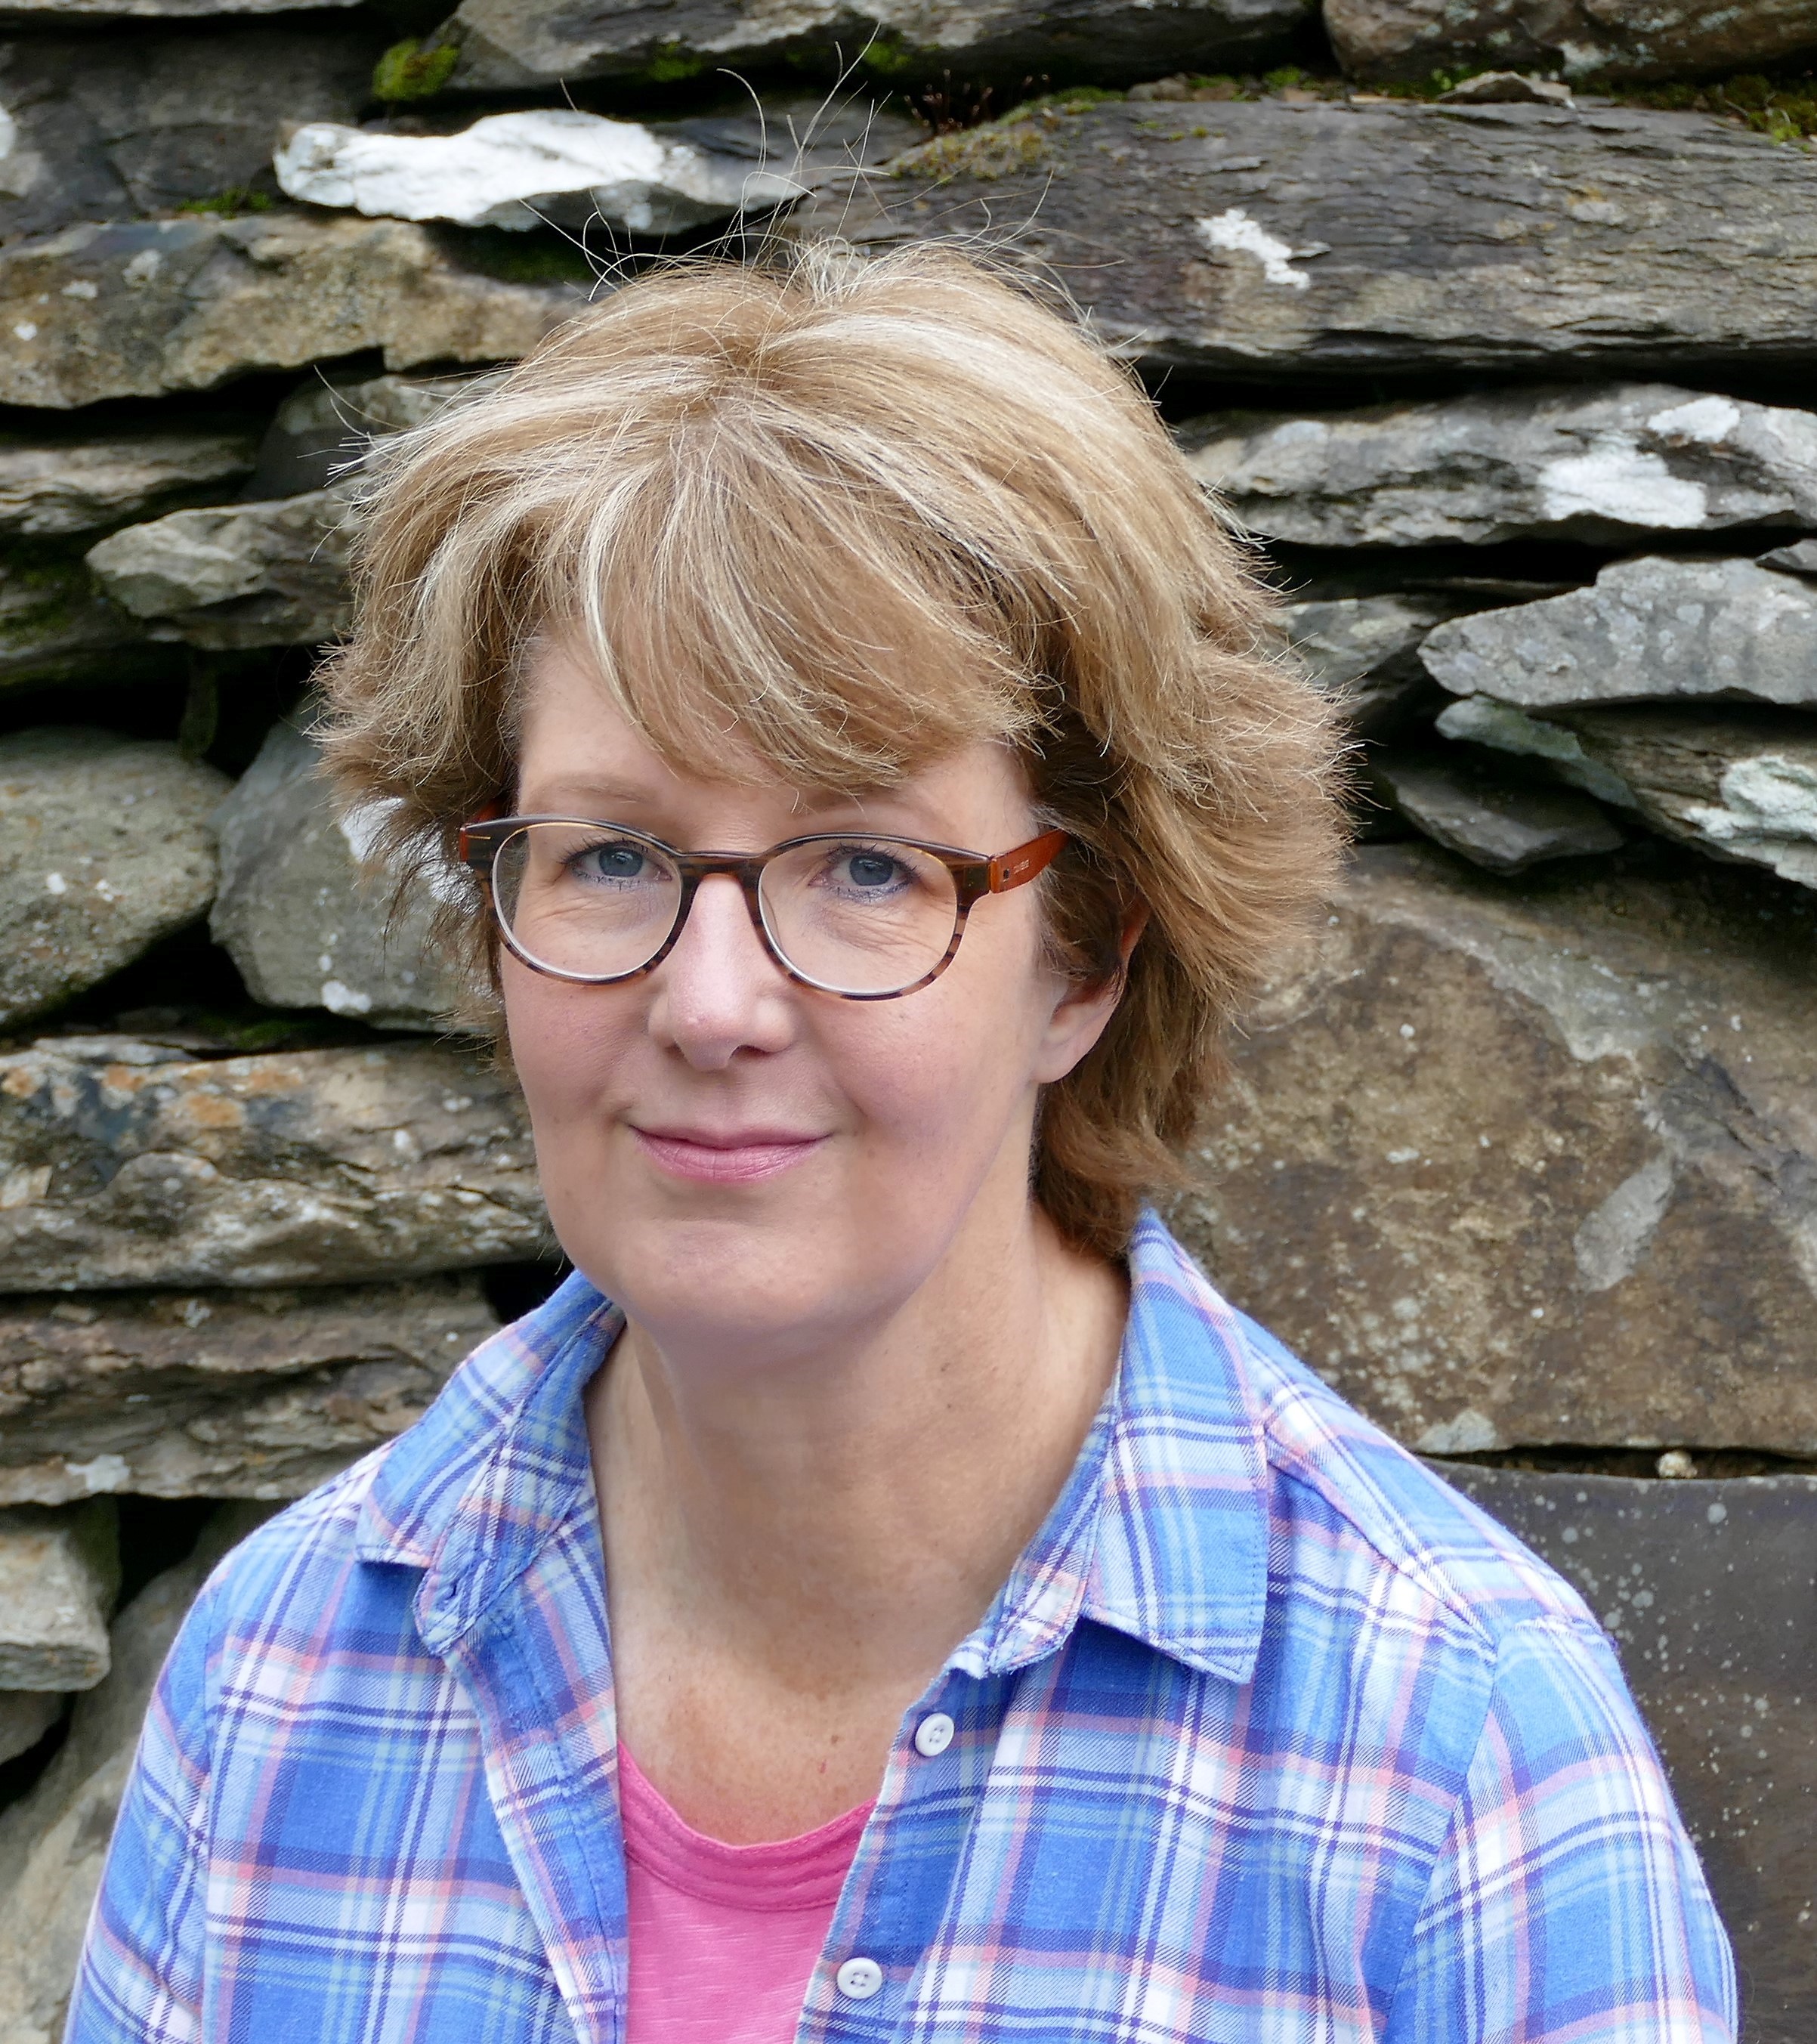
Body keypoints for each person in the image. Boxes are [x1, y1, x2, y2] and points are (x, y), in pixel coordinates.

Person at [69, 245, 1735, 2044]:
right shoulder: (286, 1676)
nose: (713, 1002)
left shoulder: (1457, 1751)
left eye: (867, 866)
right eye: (610, 855)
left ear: (1086, 959)